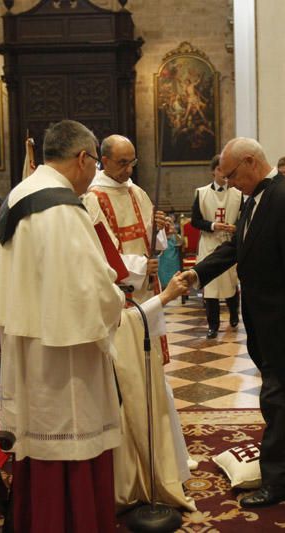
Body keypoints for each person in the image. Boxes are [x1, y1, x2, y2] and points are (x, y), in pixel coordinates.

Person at [0, 120, 189, 531]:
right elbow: (92, 290)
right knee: (70, 442)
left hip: (30, 341)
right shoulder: (61, 208)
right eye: (94, 161)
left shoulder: (21, 194)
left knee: (40, 439)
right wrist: (121, 302)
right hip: (65, 357)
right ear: (83, 159)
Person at [180, 137, 285, 508]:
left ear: (251, 162)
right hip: (263, 321)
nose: (230, 183)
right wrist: (197, 274)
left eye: (234, 175)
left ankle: (278, 481)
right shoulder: (254, 200)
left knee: (277, 399)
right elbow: (238, 248)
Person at [83, 134, 195, 511]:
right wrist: (134, 267)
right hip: (123, 301)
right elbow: (99, 253)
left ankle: (165, 458)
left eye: (133, 163)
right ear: (102, 160)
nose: (129, 170)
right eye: (122, 163)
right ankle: (133, 467)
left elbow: (153, 243)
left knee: (154, 379)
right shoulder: (92, 198)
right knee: (127, 382)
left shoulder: (137, 192)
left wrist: (157, 230)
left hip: (146, 298)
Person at [191, 154, 242, 338]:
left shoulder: (238, 194)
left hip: (229, 243)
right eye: (220, 169)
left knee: (230, 282)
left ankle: (234, 315)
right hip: (209, 243)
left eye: (226, 170)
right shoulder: (201, 193)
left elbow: (243, 218)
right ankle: (213, 325)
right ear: (213, 171)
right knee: (210, 286)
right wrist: (212, 226)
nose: (223, 174)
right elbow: (195, 221)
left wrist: (236, 226)